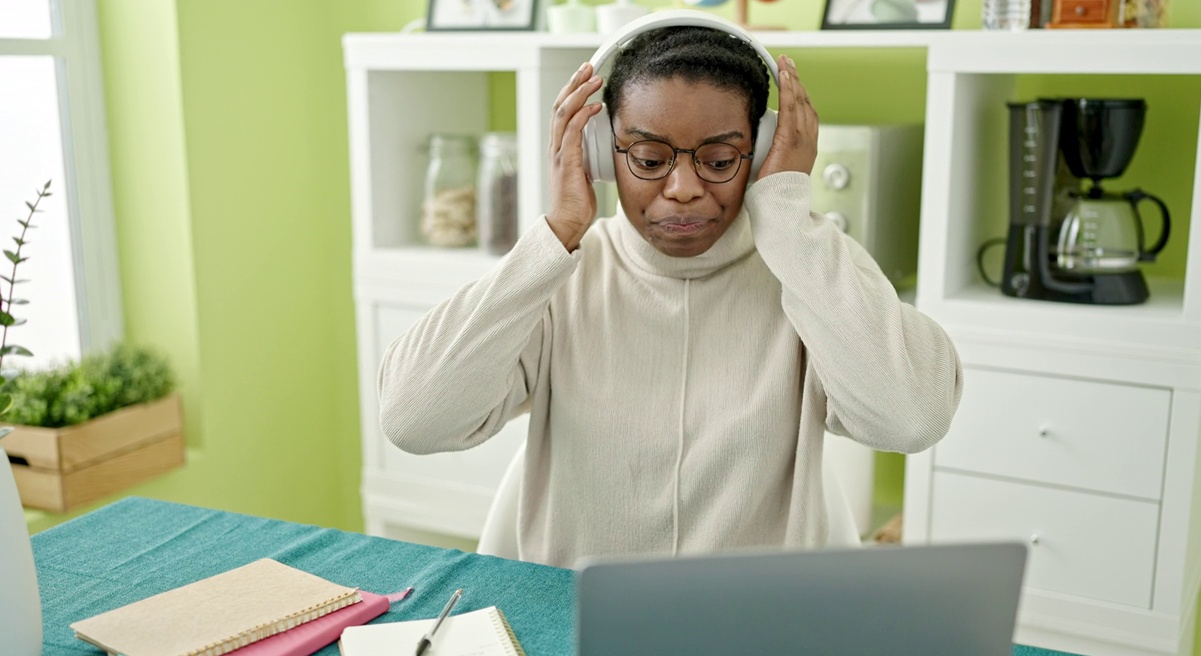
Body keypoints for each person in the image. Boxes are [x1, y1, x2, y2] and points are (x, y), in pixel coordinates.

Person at [378, 25, 962, 568]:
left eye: (718, 160)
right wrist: (555, 233)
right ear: (603, 153)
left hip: (750, 632)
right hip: (576, 623)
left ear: (758, 154)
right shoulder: (562, 275)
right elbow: (412, 420)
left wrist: (787, 223)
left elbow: (914, 419)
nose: (682, 189)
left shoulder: (808, 271)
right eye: (650, 159)